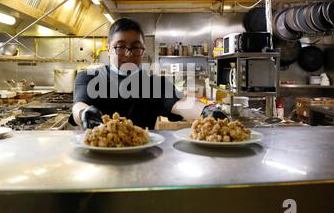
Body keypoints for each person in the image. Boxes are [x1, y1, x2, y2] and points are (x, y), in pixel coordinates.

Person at [71, 17, 227, 129]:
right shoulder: (89, 77)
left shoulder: (154, 84)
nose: (128, 53)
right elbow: (79, 105)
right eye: (120, 46)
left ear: (143, 49)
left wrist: (205, 110)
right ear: (109, 48)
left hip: (142, 155)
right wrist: (84, 113)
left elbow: (181, 103)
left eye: (136, 47)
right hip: (99, 154)